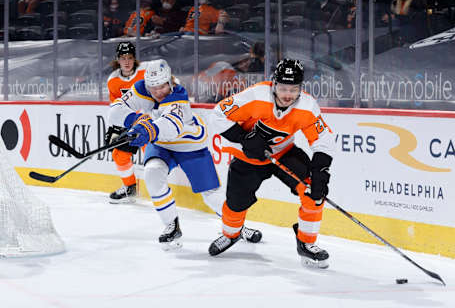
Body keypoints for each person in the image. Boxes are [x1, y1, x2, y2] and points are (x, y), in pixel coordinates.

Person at [107, 59, 262, 249]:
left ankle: (237, 227)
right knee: (152, 174)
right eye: (152, 87)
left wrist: (147, 130)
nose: (157, 92)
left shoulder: (178, 95)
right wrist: (136, 119)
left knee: (211, 195)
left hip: (189, 145)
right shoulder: (142, 88)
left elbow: (171, 126)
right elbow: (115, 110)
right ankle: (171, 226)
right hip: (162, 145)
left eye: (162, 86)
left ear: (170, 82)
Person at [208, 59, 335, 268]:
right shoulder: (255, 96)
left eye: (293, 90)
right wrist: (244, 138)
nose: (287, 95)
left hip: (284, 153)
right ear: (274, 84)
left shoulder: (307, 106)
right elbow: (218, 114)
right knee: (235, 205)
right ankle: (232, 234)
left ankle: (306, 243)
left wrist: (321, 171)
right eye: (283, 88)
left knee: (313, 192)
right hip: (248, 157)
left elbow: (323, 140)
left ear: (300, 88)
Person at [105, 42, 146, 203]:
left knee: (153, 155)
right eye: (123, 58)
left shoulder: (145, 73)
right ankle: (130, 189)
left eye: (130, 57)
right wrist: (117, 127)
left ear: (134, 59)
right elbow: (117, 108)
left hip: (149, 123)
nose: (127, 61)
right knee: (119, 154)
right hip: (130, 124)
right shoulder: (113, 80)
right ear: (118, 60)